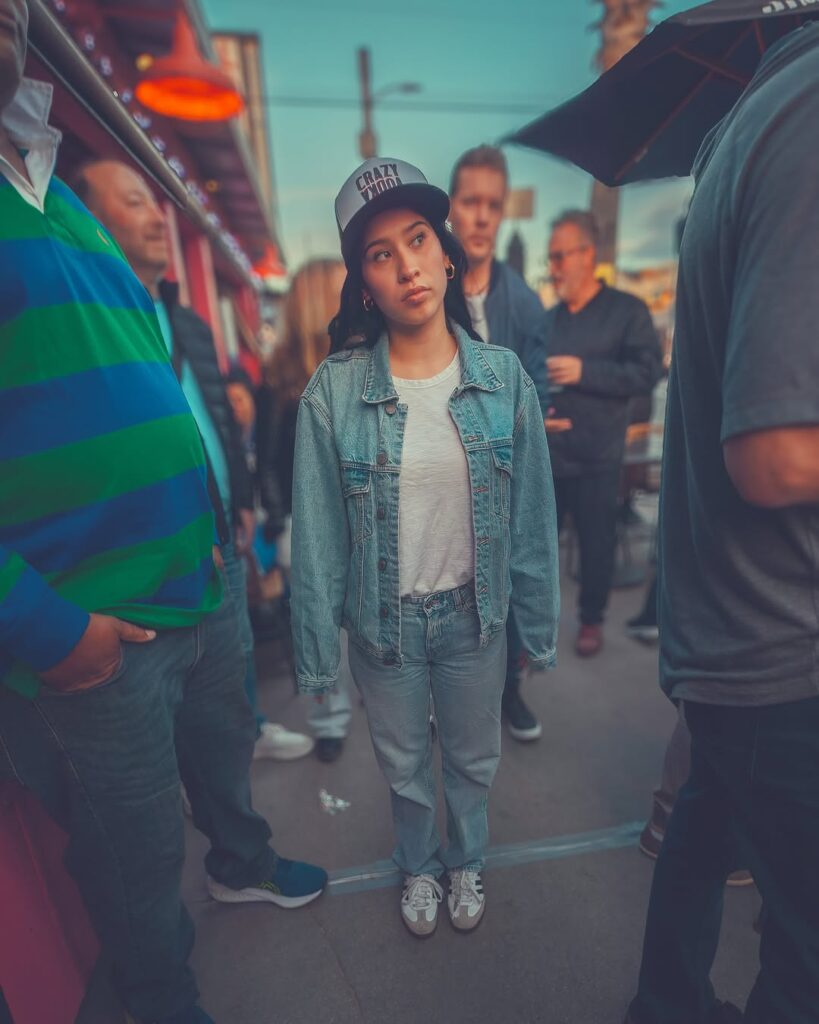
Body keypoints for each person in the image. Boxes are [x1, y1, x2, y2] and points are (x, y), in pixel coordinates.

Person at [0, 11, 326, 1023]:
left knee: (224, 756)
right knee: (135, 850)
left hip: (197, 582)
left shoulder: (52, 188)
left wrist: (217, 533)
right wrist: (49, 629)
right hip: (94, 623)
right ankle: (158, 993)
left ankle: (239, 861)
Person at [290, 156, 559, 938]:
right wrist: (317, 663)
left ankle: (465, 858)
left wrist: (534, 626)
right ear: (363, 282)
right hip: (386, 629)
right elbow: (316, 542)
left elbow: (532, 521)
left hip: (476, 620)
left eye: (417, 240)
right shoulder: (332, 394)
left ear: (447, 253)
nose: (407, 265)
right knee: (405, 771)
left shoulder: (505, 380)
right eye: (381, 253)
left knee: (472, 764)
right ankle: (418, 868)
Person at [626, 22, 819, 1024]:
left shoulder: (757, 119)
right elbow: (779, 451)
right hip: (786, 640)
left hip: (742, 635)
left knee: (703, 826)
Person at [73, 159, 314, 762]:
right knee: (178, 687)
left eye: (155, 204)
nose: (157, 216)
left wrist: (244, 503)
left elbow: (221, 424)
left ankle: (250, 732)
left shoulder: (189, 323)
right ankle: (198, 771)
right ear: (88, 220)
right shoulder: (92, 322)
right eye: (134, 202)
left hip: (221, 525)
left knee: (231, 661)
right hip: (156, 547)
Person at [448, 144, 553, 744]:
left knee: (506, 593)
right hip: (439, 474)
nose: (482, 216)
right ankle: (446, 700)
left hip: (505, 476)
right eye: (471, 201)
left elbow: (535, 392)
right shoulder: (427, 288)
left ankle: (509, 695)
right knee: (445, 590)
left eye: (493, 204)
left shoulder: (527, 303)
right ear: (453, 208)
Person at [545, 210, 660, 657]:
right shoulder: (550, 320)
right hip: (551, 454)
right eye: (550, 258)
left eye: (559, 257)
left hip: (599, 454)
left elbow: (647, 372)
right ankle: (532, 629)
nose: (553, 267)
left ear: (586, 255)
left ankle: (591, 620)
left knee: (597, 544)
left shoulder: (627, 312)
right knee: (538, 549)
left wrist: (583, 371)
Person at [258, 258, 354, 763]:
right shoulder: (280, 375)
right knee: (320, 631)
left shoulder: (363, 359)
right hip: (306, 523)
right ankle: (330, 720)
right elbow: (269, 461)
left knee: (385, 615)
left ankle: (409, 706)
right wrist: (281, 523)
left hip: (364, 514)